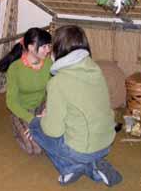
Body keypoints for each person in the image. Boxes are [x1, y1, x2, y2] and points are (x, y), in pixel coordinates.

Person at [27, 25, 122, 186]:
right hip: (106, 140)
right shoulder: (95, 68)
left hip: (83, 148)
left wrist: (46, 117)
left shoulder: (58, 82)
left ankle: (76, 167)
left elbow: (53, 131)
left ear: (58, 49)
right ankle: (96, 163)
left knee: (35, 125)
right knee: (72, 123)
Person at [0, 27, 52, 155]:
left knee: (48, 141)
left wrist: (46, 109)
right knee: (36, 149)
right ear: (31, 47)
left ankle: (34, 129)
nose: (48, 50)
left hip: (41, 108)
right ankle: (17, 128)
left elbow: (53, 90)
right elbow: (11, 102)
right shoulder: (15, 68)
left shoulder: (48, 63)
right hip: (22, 111)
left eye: (49, 46)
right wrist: (32, 120)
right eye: (44, 47)